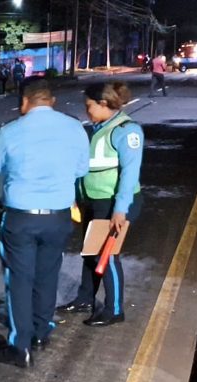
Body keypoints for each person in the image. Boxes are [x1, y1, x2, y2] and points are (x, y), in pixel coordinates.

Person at [0, 78, 89, 368]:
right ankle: (41, 333)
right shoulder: (74, 127)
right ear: (51, 101)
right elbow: (81, 169)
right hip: (58, 217)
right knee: (47, 275)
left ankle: (20, 346)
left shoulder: (11, 131)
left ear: (24, 102)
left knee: (19, 280)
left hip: (21, 218)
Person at [57, 82, 143, 327]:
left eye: (89, 106)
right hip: (93, 201)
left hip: (114, 202)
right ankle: (85, 299)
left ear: (104, 104)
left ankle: (115, 309)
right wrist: (76, 195)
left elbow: (129, 174)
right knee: (90, 252)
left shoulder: (127, 130)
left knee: (107, 255)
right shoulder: (98, 127)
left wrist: (120, 209)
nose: (87, 111)